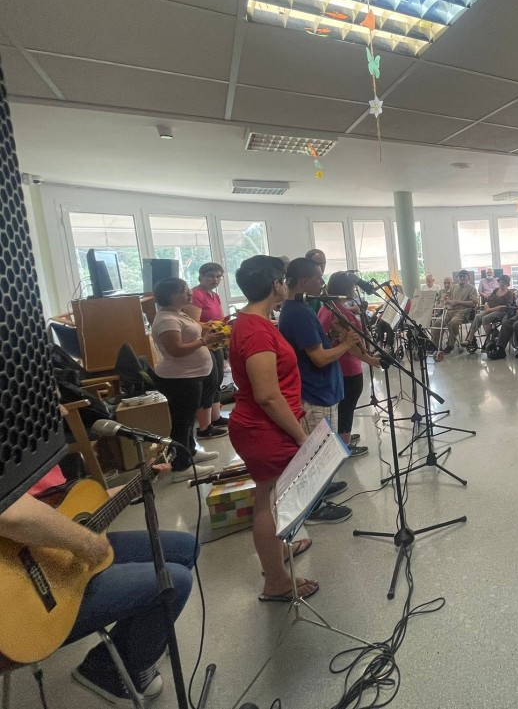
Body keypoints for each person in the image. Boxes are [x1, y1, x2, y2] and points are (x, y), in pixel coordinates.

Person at [1, 458, 197, 702]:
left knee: (186, 548)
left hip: (63, 552)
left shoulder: (36, 449)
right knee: (174, 581)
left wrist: (136, 485)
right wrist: (84, 542)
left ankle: (113, 655)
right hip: (31, 597)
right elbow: (12, 515)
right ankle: (110, 672)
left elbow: (71, 506)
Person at [227, 256, 327, 603]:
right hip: (264, 428)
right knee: (269, 502)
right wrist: (300, 435)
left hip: (267, 425)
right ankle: (276, 582)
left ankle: (277, 552)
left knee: (270, 497)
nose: (286, 284)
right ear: (276, 285)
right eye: (284, 279)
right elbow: (268, 395)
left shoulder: (255, 322)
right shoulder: (256, 330)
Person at [279, 258, 370, 465]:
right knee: (319, 456)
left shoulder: (299, 308)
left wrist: (333, 336)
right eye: (318, 278)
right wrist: (346, 343)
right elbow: (319, 358)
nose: (322, 283)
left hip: (320, 390)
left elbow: (313, 346)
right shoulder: (299, 313)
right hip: (315, 393)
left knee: (326, 447)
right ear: (304, 281)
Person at [149, 277, 220, 483]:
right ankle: (180, 466)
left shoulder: (178, 313)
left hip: (192, 375)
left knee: (188, 419)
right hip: (180, 378)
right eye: (184, 290)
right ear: (171, 295)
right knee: (182, 422)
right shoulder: (167, 320)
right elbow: (176, 350)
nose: (190, 293)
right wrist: (204, 341)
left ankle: (190, 452)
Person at [318, 271, 383, 447]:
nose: (355, 289)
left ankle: (342, 437)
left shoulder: (326, 308)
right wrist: (371, 360)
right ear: (346, 288)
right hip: (348, 367)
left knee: (343, 407)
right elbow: (353, 345)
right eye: (353, 286)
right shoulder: (342, 314)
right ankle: (344, 445)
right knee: (347, 407)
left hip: (335, 365)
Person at [183, 261, 230, 440]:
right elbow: (193, 323)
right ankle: (204, 427)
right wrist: (216, 328)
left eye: (218, 276)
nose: (215, 280)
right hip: (202, 343)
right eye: (210, 276)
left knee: (217, 380)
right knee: (209, 382)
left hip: (215, 343)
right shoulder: (197, 294)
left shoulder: (214, 295)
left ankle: (215, 418)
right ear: (201, 276)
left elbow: (220, 319)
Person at [467, 274, 514, 351]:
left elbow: (505, 307)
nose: (502, 283)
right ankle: (469, 338)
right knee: (478, 316)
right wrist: (486, 305)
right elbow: (488, 300)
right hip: (489, 309)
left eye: (504, 282)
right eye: (501, 282)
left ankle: (488, 340)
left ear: (507, 284)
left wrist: (490, 309)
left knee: (486, 318)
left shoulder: (510, 293)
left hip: (501, 312)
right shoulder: (496, 290)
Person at [435, 269, 478, 354]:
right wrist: (447, 301)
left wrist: (458, 302)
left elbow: (473, 303)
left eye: (464, 276)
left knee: (453, 323)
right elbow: (447, 296)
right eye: (460, 276)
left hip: (464, 311)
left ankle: (450, 345)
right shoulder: (454, 287)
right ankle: (435, 346)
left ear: (468, 277)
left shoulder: (472, 288)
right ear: (458, 278)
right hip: (451, 311)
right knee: (437, 323)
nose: (462, 278)